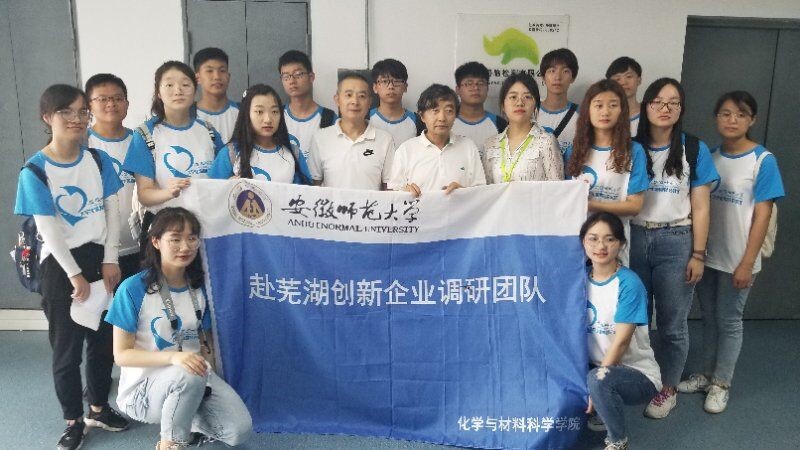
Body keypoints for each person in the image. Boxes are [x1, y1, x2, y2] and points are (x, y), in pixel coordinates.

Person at [14, 84, 128, 450]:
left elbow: (112, 210)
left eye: (82, 112)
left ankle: (98, 407)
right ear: (48, 117)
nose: (77, 119)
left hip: (99, 258)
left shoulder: (97, 160)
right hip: (59, 266)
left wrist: (110, 258)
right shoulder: (35, 170)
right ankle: (73, 420)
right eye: (66, 112)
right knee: (66, 349)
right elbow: (47, 228)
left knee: (103, 342)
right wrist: (74, 274)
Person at [105, 207, 252, 449]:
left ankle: (186, 415)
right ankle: (171, 443)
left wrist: (212, 384)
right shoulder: (133, 288)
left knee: (238, 431)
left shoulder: (200, 288)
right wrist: (174, 357)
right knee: (188, 373)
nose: (185, 247)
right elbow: (121, 355)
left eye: (192, 238)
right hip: (143, 391)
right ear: (156, 241)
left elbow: (206, 345)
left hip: (193, 379)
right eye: (175, 239)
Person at [677, 91, 784, 414]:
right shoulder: (710, 156)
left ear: (752, 120)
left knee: (730, 320)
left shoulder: (763, 161)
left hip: (739, 259)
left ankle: (721, 383)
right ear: (716, 118)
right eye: (725, 114)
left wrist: (747, 263)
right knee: (709, 318)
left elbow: (763, 215)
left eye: (740, 114)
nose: (732, 120)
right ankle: (706, 374)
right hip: (708, 255)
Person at [630, 78, 719, 418]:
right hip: (634, 238)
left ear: (681, 109)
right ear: (646, 106)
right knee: (635, 320)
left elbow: (702, 206)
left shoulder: (693, 148)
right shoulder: (631, 146)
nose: (665, 108)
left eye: (673, 102)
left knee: (672, 324)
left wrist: (698, 254)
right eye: (658, 101)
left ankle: (668, 388)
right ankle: (638, 379)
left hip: (677, 240)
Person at [123, 61, 224, 249]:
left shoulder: (208, 131)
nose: (178, 91)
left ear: (195, 90)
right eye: (169, 85)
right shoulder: (146, 134)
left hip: (206, 227)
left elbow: (221, 180)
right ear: (158, 93)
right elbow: (145, 194)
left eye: (185, 84)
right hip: (165, 231)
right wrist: (168, 193)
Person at [583, 212, 661, 450]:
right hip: (596, 365)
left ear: (621, 243)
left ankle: (618, 441)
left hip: (637, 373)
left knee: (598, 379)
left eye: (609, 239)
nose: (600, 246)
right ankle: (601, 406)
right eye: (593, 238)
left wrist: (595, 388)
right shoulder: (580, 280)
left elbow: (621, 342)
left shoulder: (629, 283)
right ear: (583, 242)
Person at [565, 79, 649, 265]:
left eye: (613, 105)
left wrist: (590, 205)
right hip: (577, 241)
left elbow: (634, 206)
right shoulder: (573, 151)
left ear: (622, 110)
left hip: (613, 242)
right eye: (598, 105)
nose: (605, 112)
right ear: (588, 110)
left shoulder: (633, 151)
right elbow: (565, 199)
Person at [85, 73, 141, 281]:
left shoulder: (140, 142)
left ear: (127, 104)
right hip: (96, 251)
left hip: (138, 247)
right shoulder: (82, 144)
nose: (111, 104)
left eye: (118, 98)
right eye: (103, 99)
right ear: (89, 106)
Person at [388, 84, 486, 196]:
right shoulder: (406, 150)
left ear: (456, 115)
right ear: (422, 116)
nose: (442, 118)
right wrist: (404, 192)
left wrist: (463, 192)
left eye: (449, 111)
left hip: (461, 208)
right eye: (435, 110)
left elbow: (481, 193)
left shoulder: (468, 147)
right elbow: (393, 194)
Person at [307, 72, 395, 190]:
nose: (355, 101)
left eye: (362, 96)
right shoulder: (320, 138)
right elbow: (313, 186)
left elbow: (389, 188)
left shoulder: (385, 140)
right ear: (337, 100)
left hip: (370, 203)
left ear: (369, 102)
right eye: (348, 95)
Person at [208, 83, 311, 184]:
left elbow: (306, 192)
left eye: (274, 111)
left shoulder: (294, 153)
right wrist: (228, 186)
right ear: (246, 114)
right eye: (259, 112)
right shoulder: (231, 153)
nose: (268, 119)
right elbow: (211, 190)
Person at [482, 72, 563, 183]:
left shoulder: (546, 142)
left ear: (535, 105)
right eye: (513, 97)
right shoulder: (490, 145)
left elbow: (557, 189)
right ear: (503, 105)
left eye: (527, 97)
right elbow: (486, 189)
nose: (520, 102)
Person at [279, 50, 337, 158]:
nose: (292, 81)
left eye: (298, 74)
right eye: (286, 76)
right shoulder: (276, 117)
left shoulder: (329, 119)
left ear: (311, 77)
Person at [451, 61, 507, 153]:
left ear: (487, 88)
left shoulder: (499, 124)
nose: (475, 88)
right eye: (469, 83)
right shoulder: (447, 121)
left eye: (481, 83)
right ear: (458, 89)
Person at [192, 47, 239, 143]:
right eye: (209, 71)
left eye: (222, 70)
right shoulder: (187, 115)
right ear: (197, 78)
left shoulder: (243, 112)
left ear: (228, 77)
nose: (217, 76)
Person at [538, 48, 580, 153]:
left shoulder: (582, 114)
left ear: (573, 77)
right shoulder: (530, 111)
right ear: (543, 77)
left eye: (565, 71)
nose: (558, 77)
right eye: (552, 71)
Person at [368, 58, 418, 145]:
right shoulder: (365, 118)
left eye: (396, 81)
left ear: (405, 87)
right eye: (384, 81)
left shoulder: (417, 121)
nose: (391, 86)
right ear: (375, 87)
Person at [606, 57, 643, 137]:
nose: (623, 82)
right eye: (617, 79)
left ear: (639, 80)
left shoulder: (650, 113)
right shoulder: (604, 115)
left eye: (629, 76)